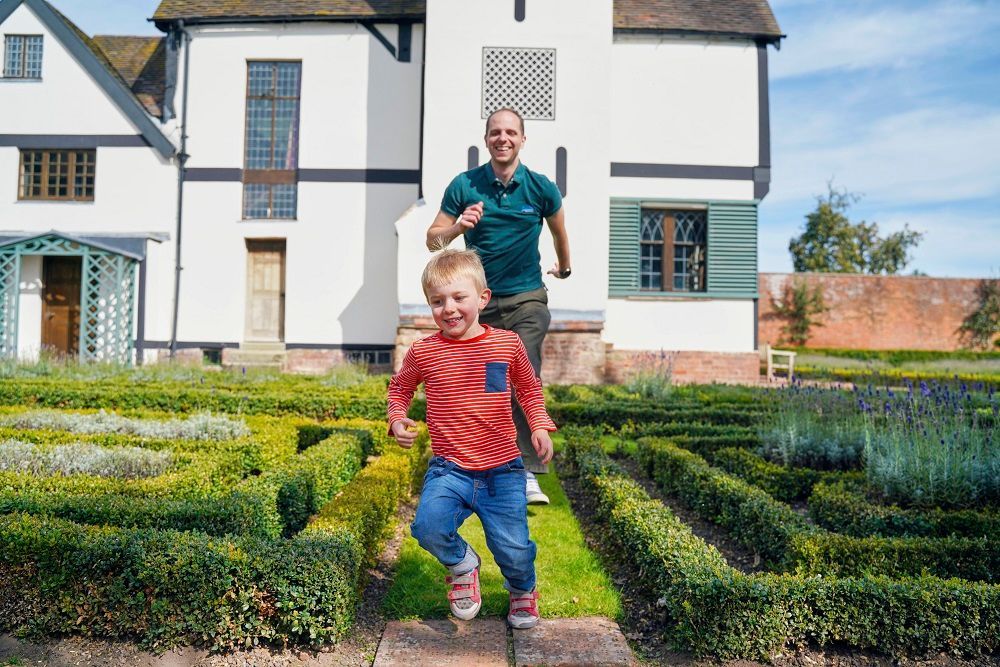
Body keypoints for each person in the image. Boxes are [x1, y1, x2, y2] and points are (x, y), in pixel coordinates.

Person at [388, 248, 556, 629]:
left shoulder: (506, 345)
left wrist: (539, 426)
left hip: (502, 471)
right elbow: (399, 388)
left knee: (513, 548)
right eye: (437, 301)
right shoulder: (424, 351)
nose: (448, 308)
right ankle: (462, 564)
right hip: (450, 470)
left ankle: (522, 590)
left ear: (482, 298)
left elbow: (528, 389)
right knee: (428, 527)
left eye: (458, 297)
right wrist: (398, 419)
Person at [425, 107, 570, 505]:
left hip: (526, 297)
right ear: (486, 140)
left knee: (519, 369)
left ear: (522, 139)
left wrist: (566, 267)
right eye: (495, 132)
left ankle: (524, 471)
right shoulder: (465, 185)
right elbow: (433, 240)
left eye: (510, 132)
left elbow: (560, 233)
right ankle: (475, 460)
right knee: (482, 383)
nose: (502, 138)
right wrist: (458, 227)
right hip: (480, 303)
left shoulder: (541, 188)